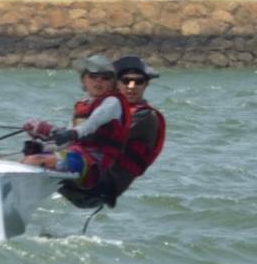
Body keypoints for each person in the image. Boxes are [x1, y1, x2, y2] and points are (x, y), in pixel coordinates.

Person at [59, 56, 166, 209]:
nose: (131, 86)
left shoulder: (146, 117)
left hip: (101, 185)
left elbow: (95, 137)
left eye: (138, 81)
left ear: (146, 85)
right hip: (86, 176)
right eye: (125, 80)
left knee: (45, 161)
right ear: (116, 83)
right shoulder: (95, 107)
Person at [22, 54, 130, 191]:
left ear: (112, 82)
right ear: (83, 80)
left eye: (105, 78)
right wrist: (43, 132)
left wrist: (69, 133)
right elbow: (68, 137)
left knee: (33, 161)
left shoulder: (112, 103)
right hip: (77, 155)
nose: (99, 81)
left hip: (96, 166)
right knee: (23, 159)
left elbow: (90, 124)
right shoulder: (83, 105)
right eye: (93, 76)